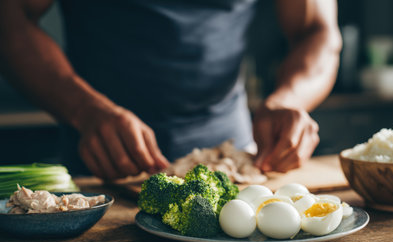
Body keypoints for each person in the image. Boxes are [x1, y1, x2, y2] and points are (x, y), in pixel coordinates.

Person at [0, 0, 341, 180]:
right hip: (100, 159)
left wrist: (290, 99)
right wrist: (83, 110)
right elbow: (10, 17)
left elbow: (317, 31)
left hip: (236, 155)